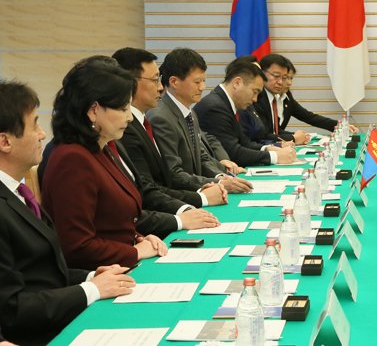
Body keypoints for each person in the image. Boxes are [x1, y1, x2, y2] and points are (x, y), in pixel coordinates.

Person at [0, 80, 135, 345]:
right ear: (5, 141)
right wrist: (90, 290)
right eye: (35, 125)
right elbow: (12, 308)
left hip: (59, 315)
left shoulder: (19, 192)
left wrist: (91, 276)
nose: (42, 134)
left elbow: (43, 269)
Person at [41, 59, 168, 270]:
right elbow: (76, 246)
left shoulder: (101, 148)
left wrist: (139, 238)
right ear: (94, 110)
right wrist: (134, 251)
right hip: (101, 278)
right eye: (124, 108)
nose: (129, 118)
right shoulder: (72, 159)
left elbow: (111, 220)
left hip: (121, 266)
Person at [113, 47, 227, 218]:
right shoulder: (138, 125)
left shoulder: (144, 122)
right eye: (154, 80)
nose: (160, 87)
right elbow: (151, 187)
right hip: (159, 218)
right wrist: (199, 198)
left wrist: (214, 181)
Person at [148, 48, 252, 194]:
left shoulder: (189, 111)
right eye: (197, 82)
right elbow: (174, 174)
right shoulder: (160, 118)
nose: (203, 87)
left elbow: (201, 157)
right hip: (183, 199)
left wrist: (221, 175)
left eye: (203, 80)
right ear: (174, 81)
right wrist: (219, 182)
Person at [194, 57, 296, 167]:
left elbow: (244, 142)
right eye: (255, 92)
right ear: (237, 83)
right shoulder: (215, 107)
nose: (255, 99)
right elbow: (233, 152)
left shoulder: (227, 102)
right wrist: (275, 157)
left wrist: (268, 148)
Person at [251, 54, 357, 145]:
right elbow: (263, 135)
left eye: (285, 77)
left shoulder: (284, 96)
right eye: (276, 76)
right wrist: (294, 138)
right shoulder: (256, 98)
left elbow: (308, 116)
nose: (282, 82)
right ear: (261, 73)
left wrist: (338, 126)